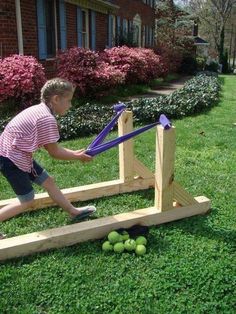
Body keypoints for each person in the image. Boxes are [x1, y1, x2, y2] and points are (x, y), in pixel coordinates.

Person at [0, 78, 96, 226]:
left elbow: (53, 148)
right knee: (27, 200)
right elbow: (54, 152)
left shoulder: (41, 110)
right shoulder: (46, 118)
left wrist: (75, 153)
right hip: (10, 158)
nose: (70, 105)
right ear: (56, 99)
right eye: (69, 100)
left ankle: (73, 212)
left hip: (16, 154)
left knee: (48, 181)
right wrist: (78, 157)